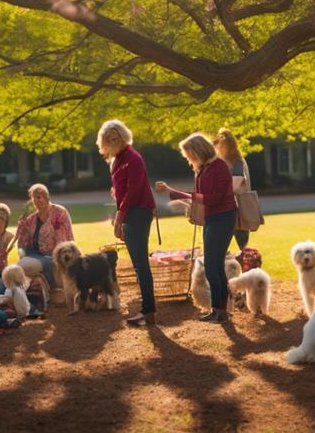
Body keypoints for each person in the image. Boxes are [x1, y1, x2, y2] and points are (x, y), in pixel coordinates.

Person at [156, 133, 237, 323]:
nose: (189, 158)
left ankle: (220, 311)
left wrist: (177, 193)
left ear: (200, 149)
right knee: (214, 267)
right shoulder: (202, 169)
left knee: (213, 266)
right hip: (212, 218)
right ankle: (218, 310)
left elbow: (213, 198)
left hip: (223, 217)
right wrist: (173, 192)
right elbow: (201, 198)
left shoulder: (220, 167)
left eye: (190, 153)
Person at [98, 120, 157, 327]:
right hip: (130, 213)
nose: (113, 141)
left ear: (123, 136)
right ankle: (146, 309)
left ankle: (148, 311)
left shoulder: (133, 158)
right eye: (109, 138)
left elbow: (133, 192)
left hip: (139, 212)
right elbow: (121, 191)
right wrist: (119, 213)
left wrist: (119, 219)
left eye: (116, 136)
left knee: (141, 264)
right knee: (138, 265)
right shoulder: (117, 159)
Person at [14, 184, 74, 290]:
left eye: (39, 197)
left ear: (47, 197)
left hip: (56, 256)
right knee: (18, 269)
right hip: (35, 255)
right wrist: (22, 226)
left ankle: (49, 283)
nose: (36, 201)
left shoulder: (59, 212)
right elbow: (22, 243)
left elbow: (64, 240)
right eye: (33, 198)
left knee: (22, 268)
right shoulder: (31, 219)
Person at [213, 128, 252, 251]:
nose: (218, 147)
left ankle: (246, 266)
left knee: (242, 247)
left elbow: (235, 185)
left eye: (220, 144)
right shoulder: (219, 162)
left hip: (238, 208)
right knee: (221, 247)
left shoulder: (237, 162)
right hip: (224, 208)